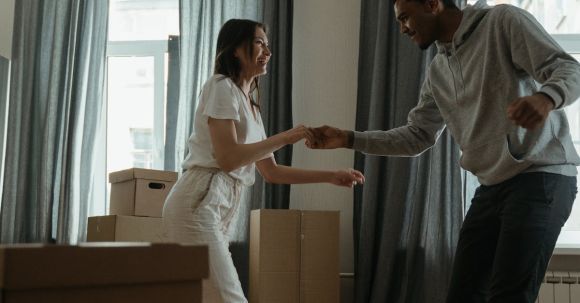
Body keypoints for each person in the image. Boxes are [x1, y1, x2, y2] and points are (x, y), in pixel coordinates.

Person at [306, 0, 580, 302]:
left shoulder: (502, 21)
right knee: (462, 294)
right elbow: (417, 136)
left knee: (509, 294)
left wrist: (545, 97)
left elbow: (568, 68)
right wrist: (348, 138)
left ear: (433, 4)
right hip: (492, 187)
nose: (403, 28)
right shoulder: (438, 71)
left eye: (406, 17)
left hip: (541, 177)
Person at [162, 19, 365, 303]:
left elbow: (271, 172)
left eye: (267, 44)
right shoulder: (221, 86)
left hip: (222, 204)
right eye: (259, 42)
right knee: (229, 297)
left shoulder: (252, 108)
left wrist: (331, 175)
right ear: (235, 50)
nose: (267, 51)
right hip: (199, 200)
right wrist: (287, 136)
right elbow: (229, 158)